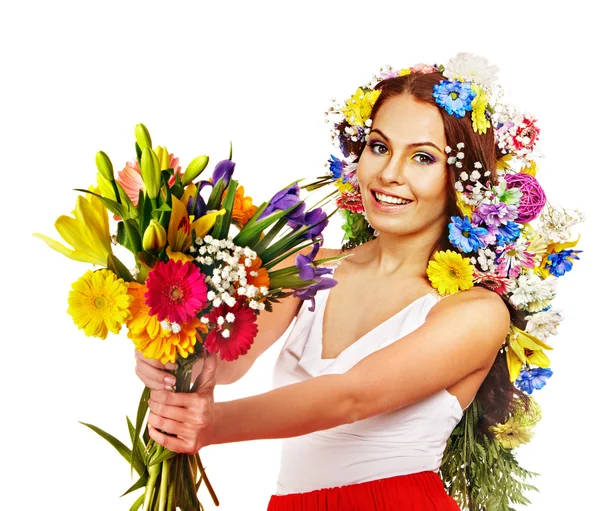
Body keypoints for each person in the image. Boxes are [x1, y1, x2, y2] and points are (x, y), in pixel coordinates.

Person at [133, 55, 574, 510]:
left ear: (461, 181)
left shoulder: (476, 313)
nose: (388, 173)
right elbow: (227, 362)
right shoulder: (301, 265)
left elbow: (352, 396)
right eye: (379, 147)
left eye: (422, 157)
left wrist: (214, 425)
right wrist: (176, 365)